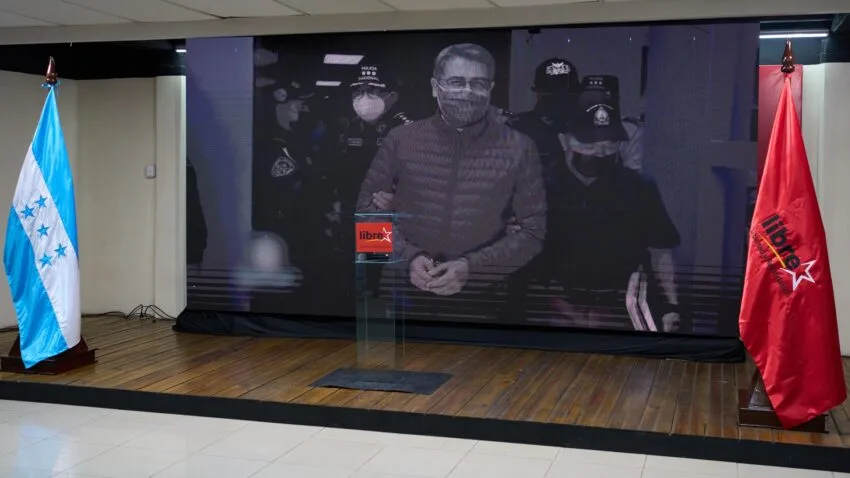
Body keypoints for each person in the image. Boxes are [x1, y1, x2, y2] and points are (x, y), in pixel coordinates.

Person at [356, 43, 546, 314]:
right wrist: (408, 259)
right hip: (405, 299)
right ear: (435, 87)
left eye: (478, 83)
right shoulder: (400, 140)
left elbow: (533, 234)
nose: (467, 92)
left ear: (490, 89)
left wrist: (472, 269)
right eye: (456, 82)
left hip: (485, 302)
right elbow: (365, 223)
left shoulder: (519, 148)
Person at [545, 75, 681, 332]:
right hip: (558, 306)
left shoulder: (638, 187)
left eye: (610, 144)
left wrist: (673, 306)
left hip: (621, 305)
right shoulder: (541, 187)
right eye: (590, 144)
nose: (600, 153)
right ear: (565, 141)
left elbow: (661, 249)